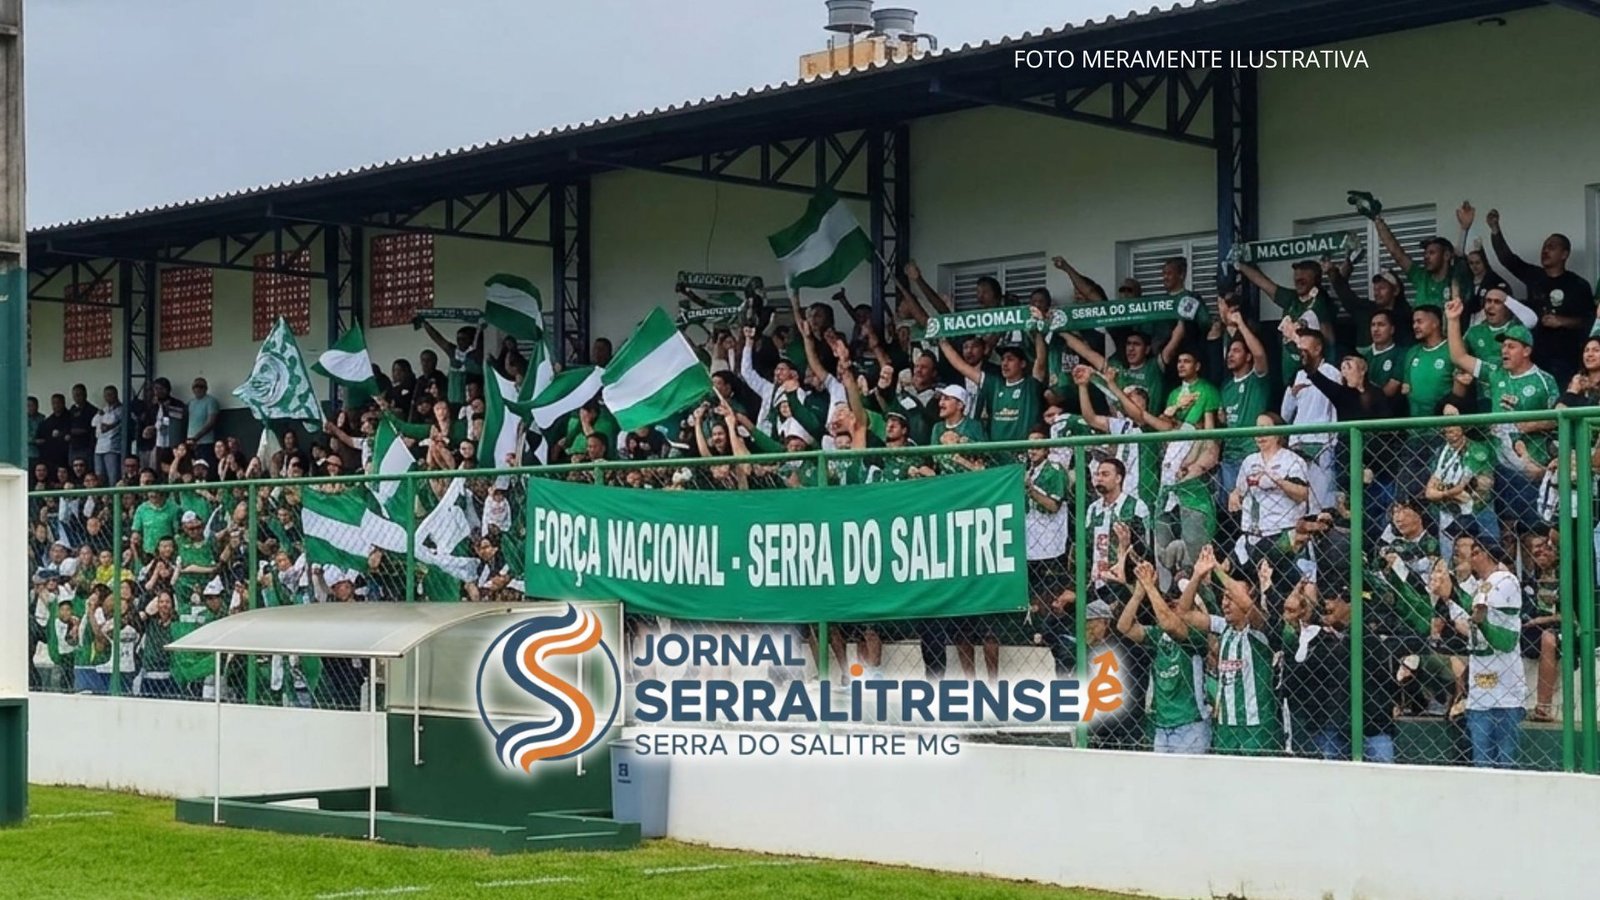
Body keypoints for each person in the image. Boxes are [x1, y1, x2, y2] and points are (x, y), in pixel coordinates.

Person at [1444, 295, 1558, 539]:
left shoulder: (1544, 381)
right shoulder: (1496, 372)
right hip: (1497, 465)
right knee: (1505, 531)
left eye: (1511, 346)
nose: (1504, 350)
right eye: (1503, 345)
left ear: (1526, 350)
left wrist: (1533, 424)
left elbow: (1560, 418)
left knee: (1533, 535)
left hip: (1529, 468)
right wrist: (1453, 320)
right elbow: (1459, 358)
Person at [1484, 206, 1594, 386]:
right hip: (1534, 355)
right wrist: (1495, 230)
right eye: (1544, 247)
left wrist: (1561, 321)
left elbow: (1589, 321)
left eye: (1551, 247)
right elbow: (1507, 259)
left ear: (1564, 254)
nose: (1545, 251)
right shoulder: (1534, 276)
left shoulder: (1578, 285)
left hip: (1566, 358)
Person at [1195, 545, 1282, 756]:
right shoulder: (1223, 628)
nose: (1225, 602)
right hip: (1226, 726)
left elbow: (1248, 607)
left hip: (1257, 726)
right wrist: (1197, 577)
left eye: (1231, 597)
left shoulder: (1260, 630)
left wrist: (1216, 568)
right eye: (1224, 597)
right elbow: (1185, 615)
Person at [1450, 536, 1526, 768]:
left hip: (1506, 690)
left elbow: (1504, 638)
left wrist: (1478, 619)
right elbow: (1463, 622)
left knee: (1504, 762)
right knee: (1482, 762)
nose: (1469, 559)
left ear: (1483, 553)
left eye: (1473, 553)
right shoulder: (1472, 586)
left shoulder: (1504, 579)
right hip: (1479, 692)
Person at [1121, 560, 1211, 754]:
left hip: (1190, 724)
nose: (1173, 605)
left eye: (1178, 602)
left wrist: (1150, 587)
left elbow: (1171, 625)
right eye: (1171, 601)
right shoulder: (1157, 635)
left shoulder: (1195, 635)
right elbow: (1124, 627)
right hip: (1161, 725)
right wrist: (1138, 594)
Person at [91, 385, 124, 487]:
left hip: (112, 447)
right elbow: (93, 423)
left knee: (112, 477)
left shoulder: (121, 410)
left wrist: (104, 423)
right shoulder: (104, 410)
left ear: (116, 395)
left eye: (110, 395)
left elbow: (106, 427)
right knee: (99, 476)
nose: (107, 397)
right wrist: (100, 416)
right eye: (106, 395)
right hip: (99, 447)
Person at [186, 378, 221, 465]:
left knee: (206, 467)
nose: (198, 389)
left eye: (201, 386)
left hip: (206, 442)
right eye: (195, 386)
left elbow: (211, 422)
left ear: (206, 388)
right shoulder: (190, 403)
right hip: (190, 443)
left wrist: (197, 437)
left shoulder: (211, 401)